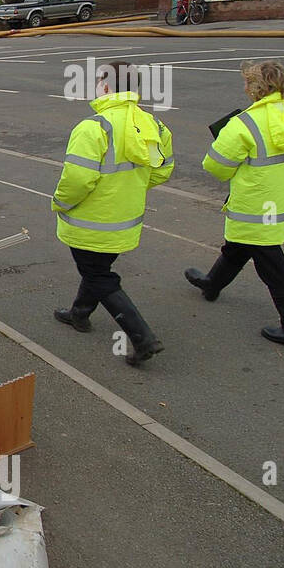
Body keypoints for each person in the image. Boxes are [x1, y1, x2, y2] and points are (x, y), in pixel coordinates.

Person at [185, 60, 284, 350]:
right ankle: (212, 284)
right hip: (282, 202)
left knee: (272, 267)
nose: (245, 87)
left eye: (247, 82)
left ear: (255, 88)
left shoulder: (244, 123)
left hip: (255, 206)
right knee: (236, 247)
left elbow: (216, 167)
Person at [51, 60, 174, 365]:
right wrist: (131, 189)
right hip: (125, 221)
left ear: (105, 86)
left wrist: (60, 203)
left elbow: (78, 180)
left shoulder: (94, 127)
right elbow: (163, 171)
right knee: (97, 269)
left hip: (90, 222)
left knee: (98, 274)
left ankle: (143, 338)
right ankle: (79, 313)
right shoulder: (154, 126)